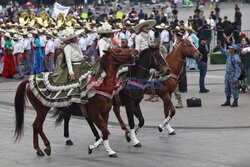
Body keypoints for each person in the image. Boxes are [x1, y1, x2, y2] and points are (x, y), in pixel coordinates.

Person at [219, 41, 241, 107]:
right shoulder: (229, 54)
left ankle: (235, 101)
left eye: (231, 48)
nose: (229, 49)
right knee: (227, 88)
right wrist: (220, 46)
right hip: (227, 74)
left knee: (234, 88)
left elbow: (238, 69)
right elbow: (223, 51)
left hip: (233, 75)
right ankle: (228, 100)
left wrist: (236, 78)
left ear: (234, 50)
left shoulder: (236, 58)